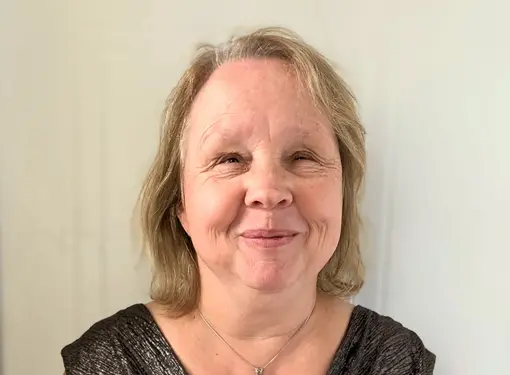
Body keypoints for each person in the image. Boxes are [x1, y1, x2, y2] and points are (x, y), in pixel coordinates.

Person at [61, 26, 436, 375]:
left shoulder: (396, 359)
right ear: (180, 203)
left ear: (342, 189)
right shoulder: (106, 361)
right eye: (230, 159)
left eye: (302, 156)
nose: (268, 192)